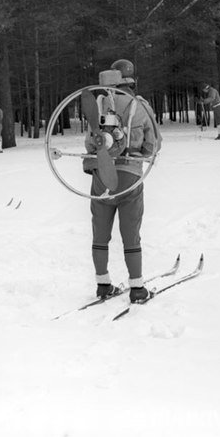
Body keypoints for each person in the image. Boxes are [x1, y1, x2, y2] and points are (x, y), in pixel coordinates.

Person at [83, 59, 162, 303]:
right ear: (131, 81)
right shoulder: (140, 106)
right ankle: (137, 288)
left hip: (102, 175)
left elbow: (90, 143)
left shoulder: (100, 104)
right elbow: (153, 145)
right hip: (130, 176)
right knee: (131, 233)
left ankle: (103, 284)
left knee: (100, 232)